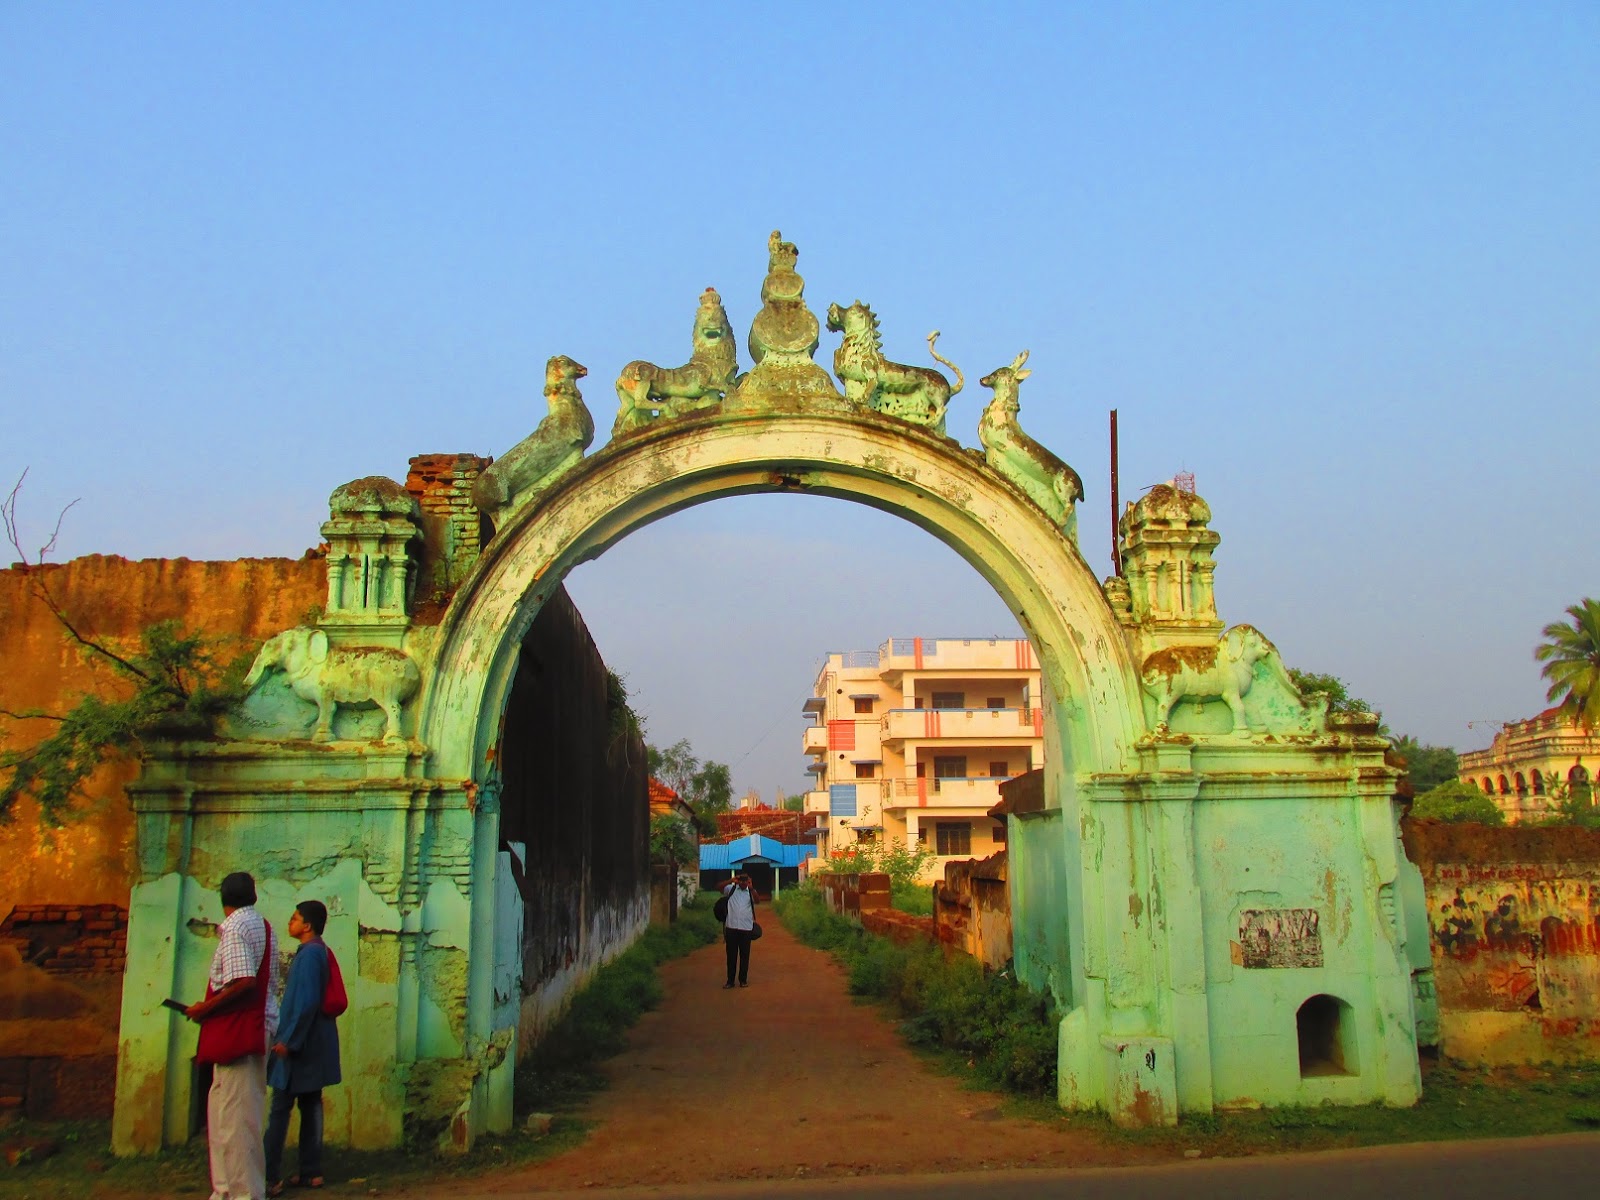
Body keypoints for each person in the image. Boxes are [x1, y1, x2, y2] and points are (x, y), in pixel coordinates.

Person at [186, 871, 281, 1200]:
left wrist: (206, 1008)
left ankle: (243, 1194)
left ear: (223, 900)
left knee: (238, 1120)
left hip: (242, 1028)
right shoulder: (261, 924)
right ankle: (225, 1190)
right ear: (253, 896)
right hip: (250, 1026)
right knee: (225, 1113)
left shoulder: (236, 928)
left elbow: (244, 981)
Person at [264, 900, 342, 1195]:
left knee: (280, 1109)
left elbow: (306, 1002)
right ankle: (311, 1172)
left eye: (294, 918)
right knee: (310, 1105)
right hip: (314, 1042)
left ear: (307, 925)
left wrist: (288, 1041)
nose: (290, 922)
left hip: (301, 1046)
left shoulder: (309, 955)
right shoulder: (318, 951)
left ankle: (270, 1175)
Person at [720, 872, 757, 989]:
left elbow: (758, 900)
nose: (743, 883)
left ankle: (743, 980)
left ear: (748, 881)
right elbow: (718, 887)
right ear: (738, 880)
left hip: (746, 928)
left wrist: (752, 888)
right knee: (731, 956)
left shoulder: (750, 892)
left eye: (745, 881)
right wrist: (730, 880)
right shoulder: (730, 889)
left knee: (744, 956)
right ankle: (730, 981)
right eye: (741, 880)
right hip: (731, 927)